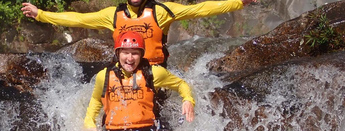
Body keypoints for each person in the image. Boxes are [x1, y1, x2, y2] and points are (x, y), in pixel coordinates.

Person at [21, 0, 257, 66]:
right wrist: (41, 15)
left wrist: (238, 2)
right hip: (124, 73)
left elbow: (200, 9)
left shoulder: (162, 11)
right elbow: (79, 18)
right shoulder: (113, 14)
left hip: (154, 73)